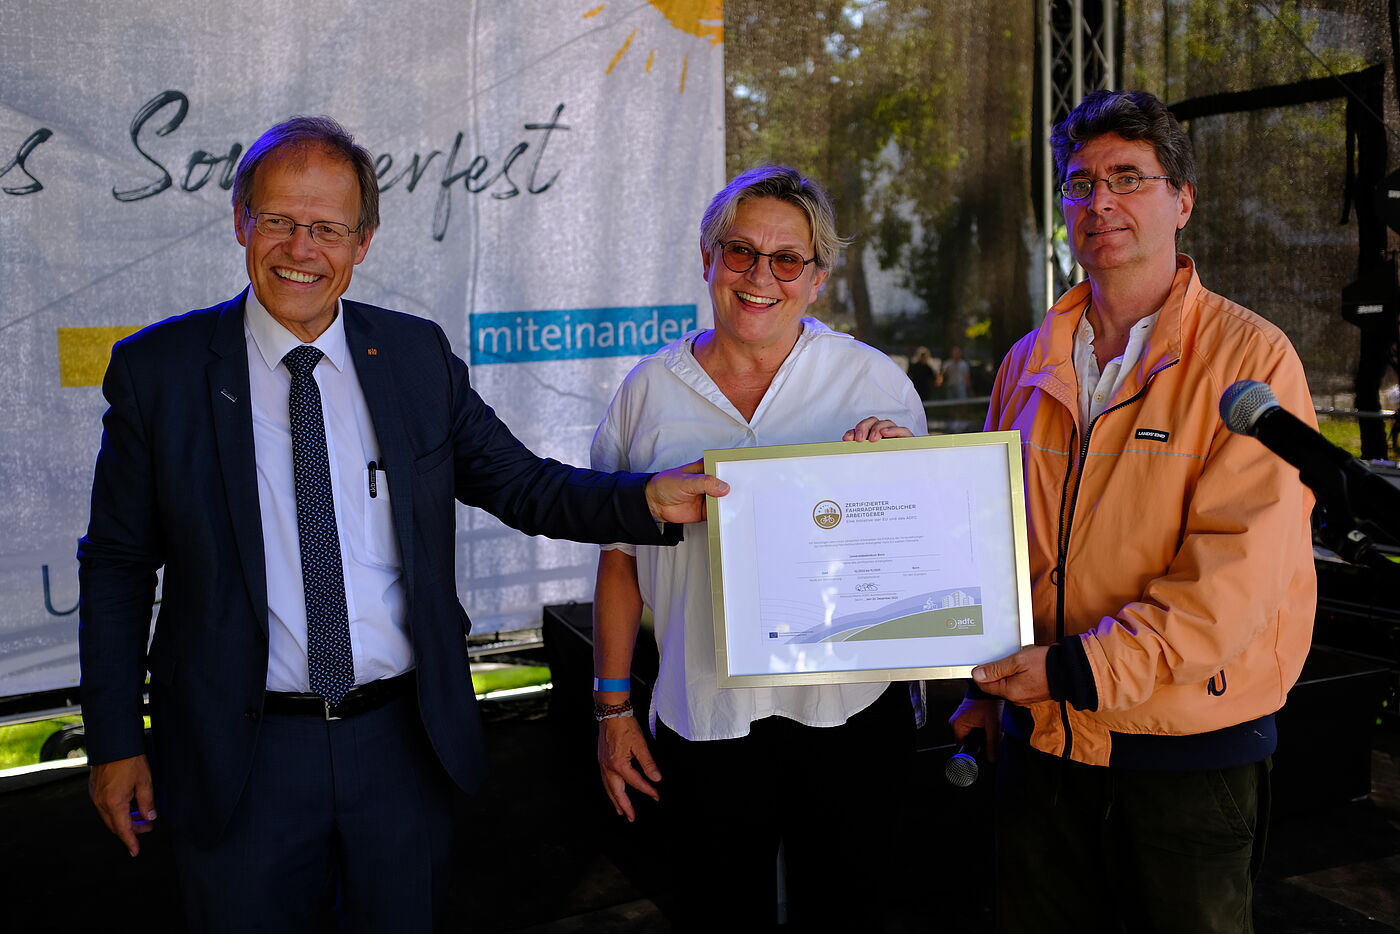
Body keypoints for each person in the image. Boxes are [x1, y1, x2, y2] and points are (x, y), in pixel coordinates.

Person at [76, 115, 724, 933]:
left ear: (363, 242)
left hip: (402, 745)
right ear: (242, 221)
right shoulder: (159, 371)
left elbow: (520, 483)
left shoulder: (414, 356)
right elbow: (118, 564)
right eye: (278, 220)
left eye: (327, 229)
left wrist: (642, 501)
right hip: (240, 756)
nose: (300, 248)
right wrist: (112, 738)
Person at [951, 90, 1316, 933]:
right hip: (1041, 739)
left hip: (1188, 751)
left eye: (1128, 178)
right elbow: (996, 539)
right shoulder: (1027, 361)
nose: (1100, 202)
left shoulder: (1253, 360)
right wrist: (984, 684)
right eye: (1080, 183)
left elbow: (1237, 577)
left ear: (1182, 201)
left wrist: (1079, 672)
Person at [589, 164, 927, 932]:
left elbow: (920, 550)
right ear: (707, 259)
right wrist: (611, 709)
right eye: (739, 252)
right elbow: (617, 560)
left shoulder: (871, 381)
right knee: (717, 915)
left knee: (852, 914)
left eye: (786, 259)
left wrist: (898, 476)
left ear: (818, 276)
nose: (759, 277)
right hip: (705, 712)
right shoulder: (648, 393)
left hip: (846, 714)